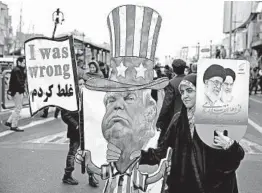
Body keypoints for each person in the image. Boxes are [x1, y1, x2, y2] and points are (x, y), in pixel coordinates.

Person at [139, 74, 245, 193]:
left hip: (213, 188)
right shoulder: (178, 120)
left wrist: (230, 146)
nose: (185, 96)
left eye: (189, 91)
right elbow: (162, 151)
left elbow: (237, 156)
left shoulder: (217, 119)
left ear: (200, 92)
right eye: (182, 92)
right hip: (183, 186)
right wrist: (136, 156)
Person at [61, 77, 99, 187]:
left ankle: (91, 177)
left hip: (88, 131)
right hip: (76, 131)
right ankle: (67, 175)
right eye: (79, 84)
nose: (82, 86)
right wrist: (76, 125)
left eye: (83, 83)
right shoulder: (70, 98)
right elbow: (65, 115)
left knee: (89, 154)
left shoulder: (89, 98)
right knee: (73, 152)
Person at [156, 59, 186, 144]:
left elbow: (167, 104)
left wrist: (160, 120)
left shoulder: (171, 83)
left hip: (175, 118)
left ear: (173, 69)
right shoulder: (190, 80)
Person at [5, 56, 26, 132]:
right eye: (24, 62)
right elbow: (19, 81)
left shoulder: (19, 69)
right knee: (18, 108)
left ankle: (9, 122)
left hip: (17, 91)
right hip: (17, 91)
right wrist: (24, 90)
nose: (25, 64)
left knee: (17, 107)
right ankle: (14, 126)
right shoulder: (17, 70)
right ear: (19, 62)